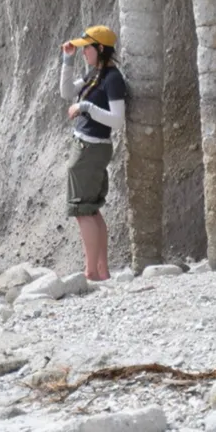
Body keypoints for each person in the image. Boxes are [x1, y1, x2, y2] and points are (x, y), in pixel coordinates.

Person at [58, 25, 130, 281]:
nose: (83, 52)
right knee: (92, 209)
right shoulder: (95, 74)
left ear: (100, 48)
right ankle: (101, 271)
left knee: (82, 210)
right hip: (91, 147)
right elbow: (66, 93)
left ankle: (91, 272)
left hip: (89, 148)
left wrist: (86, 106)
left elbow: (117, 120)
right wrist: (67, 59)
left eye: (86, 48)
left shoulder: (111, 78)